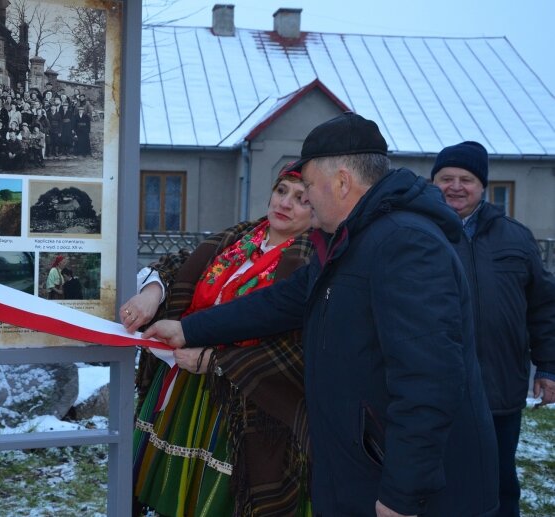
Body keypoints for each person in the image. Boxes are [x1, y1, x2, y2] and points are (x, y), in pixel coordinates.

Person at [142, 113, 499, 517]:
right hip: (360, 471)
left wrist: (402, 495)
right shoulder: (350, 239)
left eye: (309, 186)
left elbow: (429, 381)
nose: (305, 198)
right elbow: (281, 302)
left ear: (343, 181)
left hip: (415, 495)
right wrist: (188, 328)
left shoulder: (406, 245)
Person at [121, 165, 315, 516]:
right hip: (185, 383)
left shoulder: (308, 262)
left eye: (301, 199)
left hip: (245, 399)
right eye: (281, 190)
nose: (285, 203)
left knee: (223, 500)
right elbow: (177, 264)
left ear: (318, 209)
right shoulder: (239, 237)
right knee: (170, 494)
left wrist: (217, 362)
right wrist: (151, 292)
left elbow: (298, 345)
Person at [431, 141, 555, 516]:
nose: (455, 186)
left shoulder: (515, 237)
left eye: (466, 179)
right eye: (446, 178)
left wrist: (548, 367)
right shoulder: (416, 232)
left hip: (500, 386)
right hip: (436, 385)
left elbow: (543, 306)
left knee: (500, 480)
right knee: (438, 479)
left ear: (483, 185)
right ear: (431, 182)